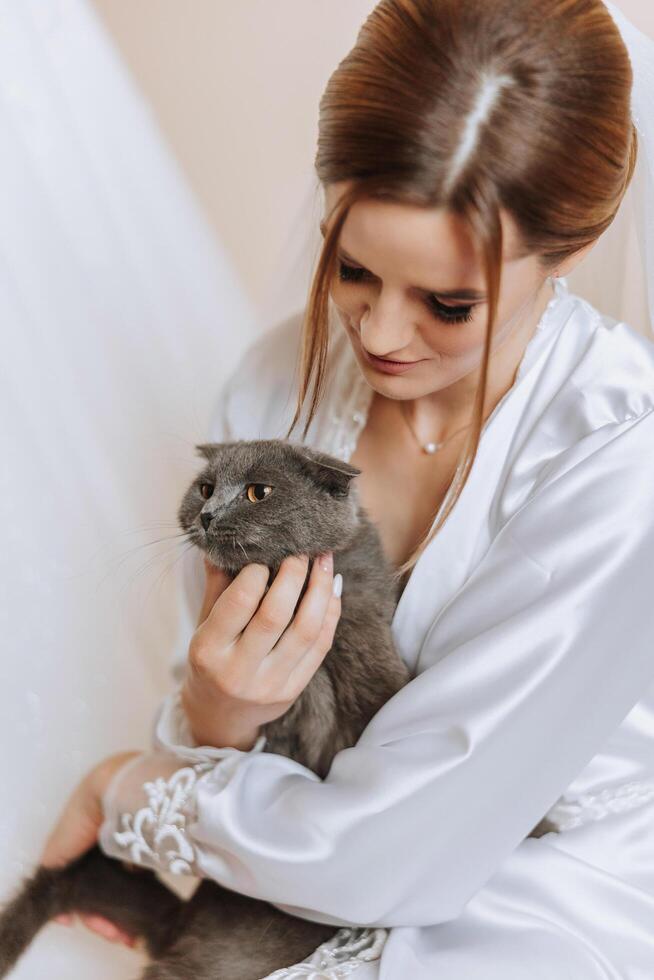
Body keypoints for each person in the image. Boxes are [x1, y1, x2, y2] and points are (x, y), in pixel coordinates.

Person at [41, 0, 654, 975]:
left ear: (570, 251)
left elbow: (401, 842)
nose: (378, 335)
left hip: (544, 885)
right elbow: (216, 702)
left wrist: (135, 787)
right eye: (352, 267)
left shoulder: (621, 464)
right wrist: (215, 711)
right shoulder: (277, 383)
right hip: (299, 845)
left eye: (448, 304)